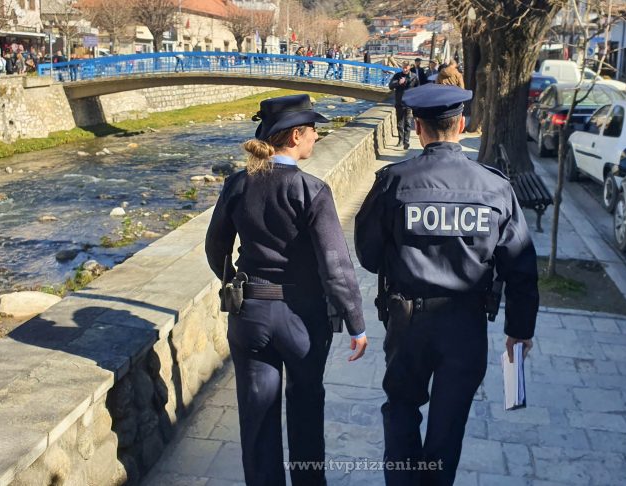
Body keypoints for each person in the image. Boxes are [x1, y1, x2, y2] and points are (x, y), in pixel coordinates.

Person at [354, 84, 539, 486]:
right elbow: (521, 265)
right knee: (449, 423)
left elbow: (368, 255)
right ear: (462, 125)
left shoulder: (394, 181)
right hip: (466, 324)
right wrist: (519, 330)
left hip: (408, 322)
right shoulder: (495, 186)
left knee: (402, 410)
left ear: (418, 128)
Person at [205, 94, 368, 486]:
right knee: (306, 410)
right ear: (296, 136)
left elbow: (215, 248)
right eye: (313, 130)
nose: (317, 136)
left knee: (257, 417)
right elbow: (336, 265)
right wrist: (356, 322)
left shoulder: (237, 184)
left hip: (250, 317)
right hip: (302, 319)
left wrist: (236, 282)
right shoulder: (312, 189)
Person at [388, 61, 418, 150]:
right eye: (403, 67)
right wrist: (398, 82)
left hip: (409, 103)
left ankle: (406, 141)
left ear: (409, 67)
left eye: (406, 67)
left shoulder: (414, 77)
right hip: (399, 103)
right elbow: (390, 86)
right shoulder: (397, 75)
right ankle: (400, 140)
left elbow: (418, 89)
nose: (404, 69)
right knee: (399, 123)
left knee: (408, 123)